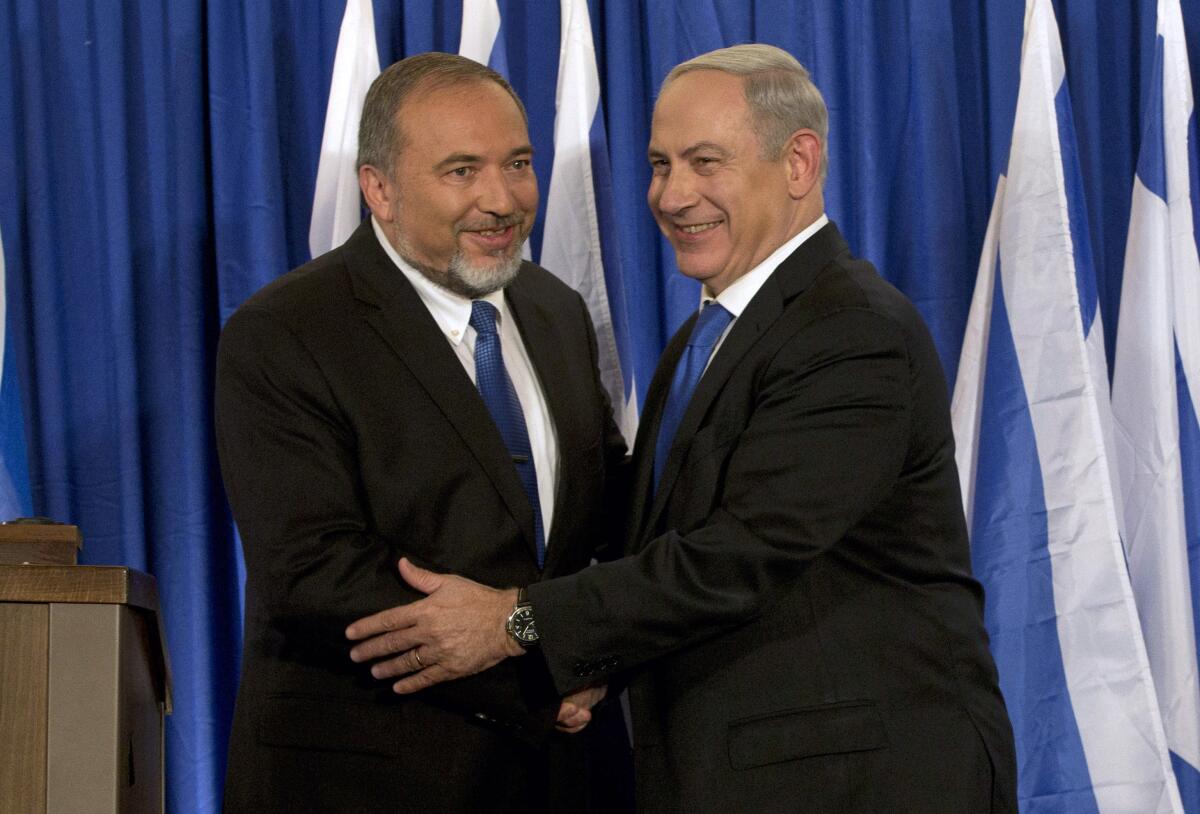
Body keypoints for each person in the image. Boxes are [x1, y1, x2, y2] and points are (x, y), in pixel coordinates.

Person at [345, 43, 1019, 813]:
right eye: (661, 165)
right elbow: (647, 523)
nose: (672, 195)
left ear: (799, 164)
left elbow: (736, 556)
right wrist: (577, 656)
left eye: (706, 162)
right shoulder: (715, 334)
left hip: (860, 782)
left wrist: (516, 622)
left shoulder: (851, 332)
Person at [215, 52, 631, 813]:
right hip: (369, 775)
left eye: (519, 163)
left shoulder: (556, 312)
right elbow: (313, 569)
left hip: (559, 777)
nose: (501, 199)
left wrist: (598, 648)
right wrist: (547, 663)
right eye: (462, 171)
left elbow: (604, 516)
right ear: (379, 189)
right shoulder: (288, 331)